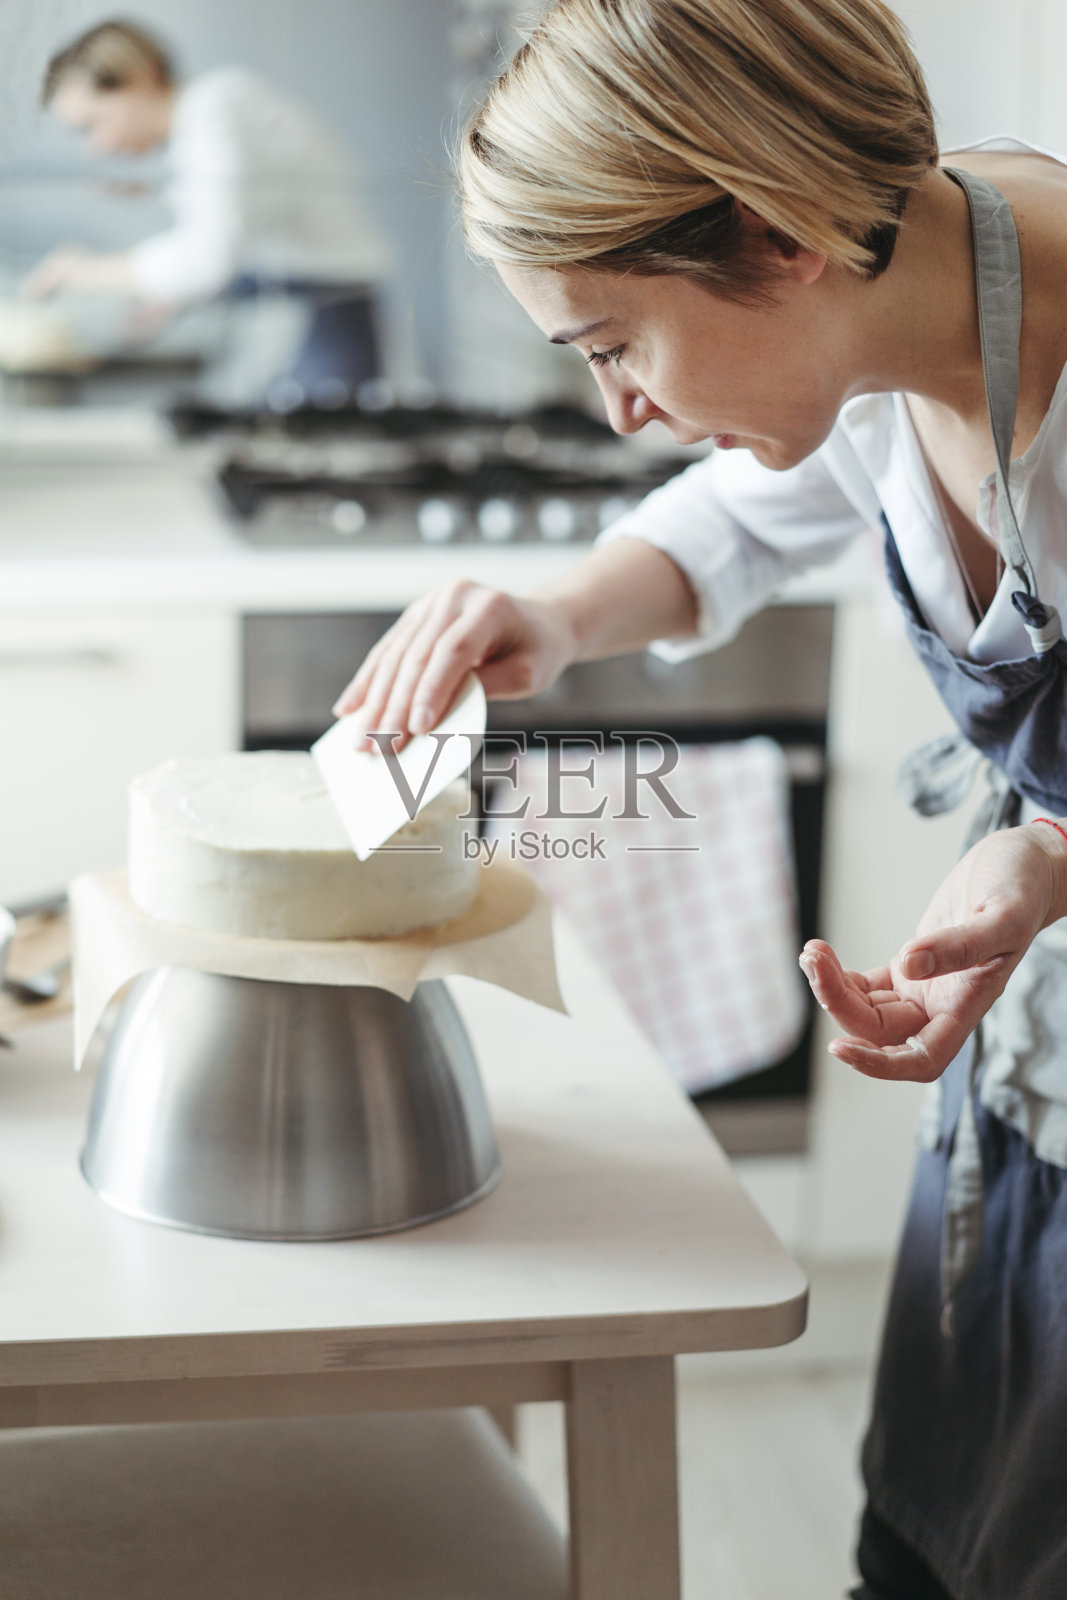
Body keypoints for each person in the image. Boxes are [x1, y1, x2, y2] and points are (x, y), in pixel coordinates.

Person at [334, 2, 1067, 1594]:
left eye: (612, 345)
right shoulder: (901, 278)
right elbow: (745, 511)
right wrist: (559, 615)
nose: (617, 411)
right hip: (1034, 1088)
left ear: (772, 232)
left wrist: (1050, 855)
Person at [26, 18, 395, 406]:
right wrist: (170, 298)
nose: (96, 147)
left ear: (142, 76)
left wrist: (79, 270)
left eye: (92, 124)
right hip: (311, 307)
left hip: (326, 313)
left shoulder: (213, 109)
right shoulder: (203, 121)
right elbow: (237, 236)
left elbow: (207, 261)